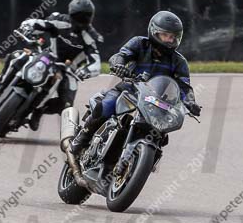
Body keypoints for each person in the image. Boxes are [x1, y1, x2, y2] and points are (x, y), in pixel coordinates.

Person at [69, 10, 201, 163]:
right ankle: (81, 139)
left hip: (156, 102)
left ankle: (144, 160)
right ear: (154, 31)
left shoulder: (179, 61)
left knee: (161, 135)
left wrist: (190, 101)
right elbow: (122, 55)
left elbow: (184, 86)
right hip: (128, 90)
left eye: (173, 37)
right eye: (165, 35)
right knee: (105, 107)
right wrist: (119, 65)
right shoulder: (139, 43)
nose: (169, 40)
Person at [0, 0, 102, 130]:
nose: (80, 21)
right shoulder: (59, 20)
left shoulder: (92, 37)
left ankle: (39, 110)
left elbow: (96, 63)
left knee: (67, 104)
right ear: (71, 14)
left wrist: (85, 71)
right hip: (49, 55)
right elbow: (39, 23)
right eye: (77, 16)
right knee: (17, 56)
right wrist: (28, 27)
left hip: (69, 70)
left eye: (84, 18)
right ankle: (1, 85)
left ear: (90, 18)